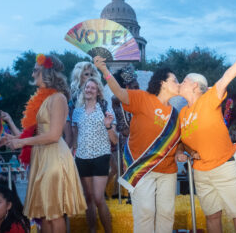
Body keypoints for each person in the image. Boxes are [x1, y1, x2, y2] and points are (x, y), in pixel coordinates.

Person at [0, 54, 87, 233]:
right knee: (45, 215)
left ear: (46, 72)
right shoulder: (43, 99)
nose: (32, 75)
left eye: (35, 71)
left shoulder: (58, 98)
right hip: (41, 158)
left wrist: (21, 141)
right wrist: (13, 139)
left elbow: (54, 135)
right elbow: (35, 133)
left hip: (54, 158)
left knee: (54, 215)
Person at [94, 56, 181, 233]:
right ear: (163, 82)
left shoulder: (175, 113)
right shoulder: (142, 98)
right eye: (175, 80)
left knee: (166, 214)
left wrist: (181, 151)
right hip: (142, 167)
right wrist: (105, 71)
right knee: (145, 212)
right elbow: (118, 92)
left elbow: (177, 141)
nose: (178, 83)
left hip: (168, 170)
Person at [176, 47, 236, 233]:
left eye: (184, 81)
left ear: (195, 85)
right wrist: (181, 151)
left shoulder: (209, 99)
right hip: (201, 171)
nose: (181, 84)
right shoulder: (183, 113)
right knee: (212, 216)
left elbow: (225, 78)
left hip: (224, 166)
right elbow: (182, 139)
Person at [72, 77, 118, 233]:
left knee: (98, 198)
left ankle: (108, 231)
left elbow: (115, 140)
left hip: (100, 156)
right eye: (87, 87)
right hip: (82, 158)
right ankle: (92, 230)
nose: (89, 90)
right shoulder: (77, 113)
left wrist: (108, 126)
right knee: (89, 199)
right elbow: (75, 138)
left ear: (98, 91)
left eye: (92, 87)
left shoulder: (106, 110)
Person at [111, 65, 140, 199]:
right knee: (129, 167)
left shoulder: (140, 98)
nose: (137, 88)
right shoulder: (117, 100)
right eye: (133, 86)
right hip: (128, 140)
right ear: (125, 87)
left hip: (140, 139)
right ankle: (131, 196)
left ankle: (139, 196)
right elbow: (124, 128)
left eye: (137, 86)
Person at [65, 62, 101, 148]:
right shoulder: (72, 96)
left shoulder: (98, 95)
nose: (90, 77)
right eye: (86, 74)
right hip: (76, 142)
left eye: (92, 74)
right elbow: (70, 125)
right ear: (79, 76)